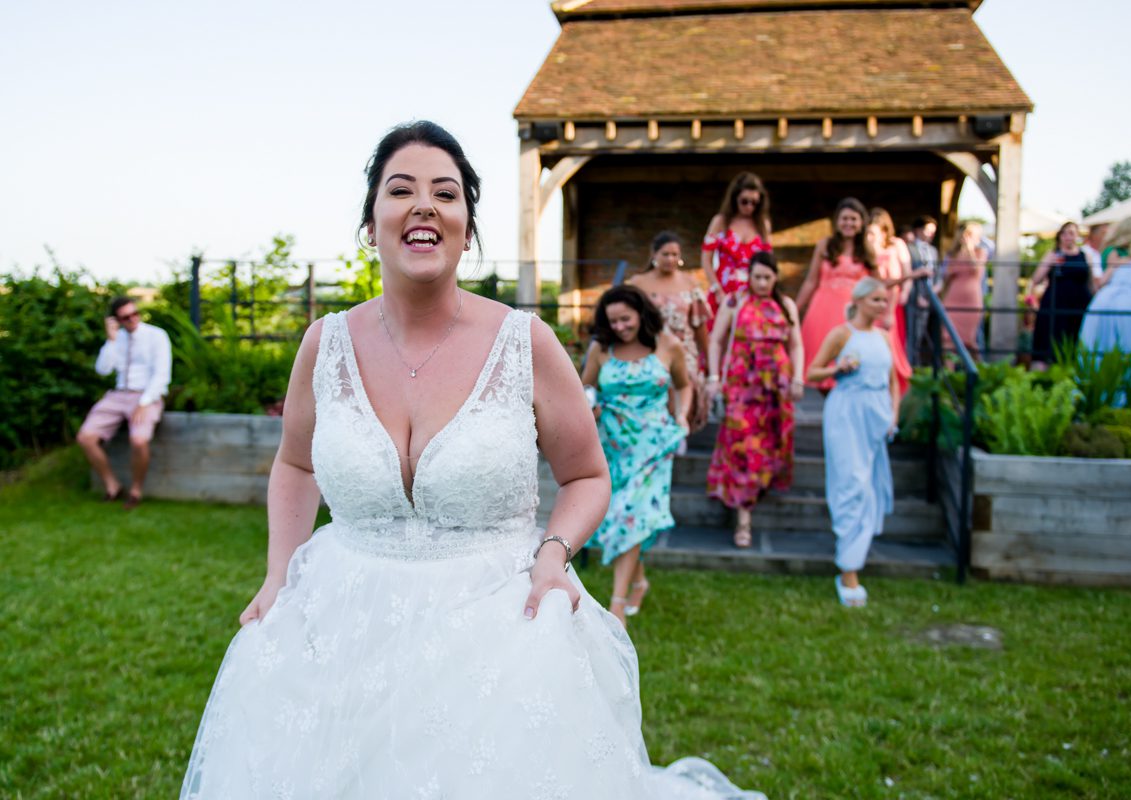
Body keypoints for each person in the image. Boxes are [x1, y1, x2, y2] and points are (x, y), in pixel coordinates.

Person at [180, 121, 764, 799]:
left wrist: (553, 552)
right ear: (371, 224)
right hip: (341, 627)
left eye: (446, 194)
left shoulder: (526, 342)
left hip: (496, 634)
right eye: (401, 190)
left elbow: (586, 477)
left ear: (466, 226)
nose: (424, 205)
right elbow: (296, 465)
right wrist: (280, 573)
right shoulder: (324, 344)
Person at [580, 284, 691, 627]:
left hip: (655, 445)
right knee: (624, 518)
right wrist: (591, 406)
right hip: (613, 447)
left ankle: (617, 605)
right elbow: (585, 389)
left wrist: (682, 415)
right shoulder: (602, 348)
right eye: (612, 321)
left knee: (632, 514)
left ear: (641, 313)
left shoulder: (667, 344)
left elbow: (684, 384)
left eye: (625, 319)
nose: (619, 327)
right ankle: (639, 580)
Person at [804, 278, 898, 607]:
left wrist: (893, 415)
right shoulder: (842, 334)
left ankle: (854, 555)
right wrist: (838, 367)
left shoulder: (885, 336)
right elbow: (811, 372)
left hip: (876, 415)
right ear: (859, 301)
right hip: (846, 413)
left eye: (885, 300)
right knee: (851, 483)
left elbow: (893, 381)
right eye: (876, 299)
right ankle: (848, 569)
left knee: (869, 484)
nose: (883, 305)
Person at [706, 252, 803, 548]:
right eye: (757, 276)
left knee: (772, 443)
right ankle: (743, 520)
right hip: (741, 385)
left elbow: (796, 344)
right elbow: (716, 340)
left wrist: (798, 377)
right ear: (749, 275)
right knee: (742, 447)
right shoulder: (735, 302)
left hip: (776, 387)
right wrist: (713, 377)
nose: (761, 282)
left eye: (767, 277)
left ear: (775, 278)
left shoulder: (785, 304)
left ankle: (760, 487)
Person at [76, 296, 172, 510]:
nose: (132, 319)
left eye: (135, 313)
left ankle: (136, 490)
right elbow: (102, 370)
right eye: (126, 317)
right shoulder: (117, 338)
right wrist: (110, 340)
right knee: (85, 437)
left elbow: (162, 375)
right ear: (117, 320)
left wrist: (145, 402)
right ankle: (112, 485)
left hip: (147, 395)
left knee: (139, 440)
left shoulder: (156, 336)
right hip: (118, 395)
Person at [628, 231, 709, 431]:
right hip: (650, 350)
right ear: (654, 255)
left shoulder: (690, 283)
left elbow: (699, 325)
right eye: (666, 254)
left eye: (675, 254)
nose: (671, 259)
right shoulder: (638, 283)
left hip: (685, 352)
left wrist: (707, 359)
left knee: (683, 399)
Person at [796, 197, 874, 389]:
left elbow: (877, 285)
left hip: (853, 312)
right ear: (837, 221)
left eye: (853, 219)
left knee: (852, 359)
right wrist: (794, 309)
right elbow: (811, 281)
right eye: (844, 218)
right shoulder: (825, 245)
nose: (848, 223)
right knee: (821, 362)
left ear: (861, 222)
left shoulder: (867, 250)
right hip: (823, 308)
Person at [866, 208, 928, 395]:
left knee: (892, 347)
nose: (869, 236)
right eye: (868, 232)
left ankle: (896, 390)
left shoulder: (897, 245)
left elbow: (904, 273)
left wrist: (907, 290)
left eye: (873, 232)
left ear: (884, 230)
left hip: (892, 303)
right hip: (872, 301)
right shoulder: (868, 249)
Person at [700, 172, 772, 317]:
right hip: (724, 290)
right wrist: (717, 289)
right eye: (744, 201)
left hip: (753, 293)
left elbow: (768, 263)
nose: (749, 207)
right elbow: (706, 260)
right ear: (735, 199)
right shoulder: (721, 222)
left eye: (754, 203)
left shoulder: (762, 225)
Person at [1028, 221, 1093, 365]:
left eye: (1071, 233)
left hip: (1078, 306)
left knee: (1075, 341)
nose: (1067, 237)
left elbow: (1091, 282)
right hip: (1056, 304)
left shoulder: (1085, 256)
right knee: (1050, 340)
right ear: (1059, 236)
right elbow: (1036, 279)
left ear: (1077, 236)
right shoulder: (1052, 254)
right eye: (1064, 233)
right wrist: (1048, 263)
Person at [939, 221, 988, 359]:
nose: (968, 237)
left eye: (972, 235)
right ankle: (949, 375)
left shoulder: (980, 252)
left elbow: (978, 272)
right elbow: (946, 276)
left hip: (971, 299)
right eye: (967, 234)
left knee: (969, 340)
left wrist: (970, 250)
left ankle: (977, 372)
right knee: (947, 337)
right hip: (953, 298)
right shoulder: (952, 254)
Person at [905, 215, 939, 364]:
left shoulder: (933, 251)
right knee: (911, 332)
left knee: (922, 333)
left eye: (934, 231)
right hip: (913, 295)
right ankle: (910, 363)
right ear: (918, 230)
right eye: (928, 230)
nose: (931, 233)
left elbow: (936, 274)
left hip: (929, 296)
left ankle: (918, 363)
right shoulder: (909, 249)